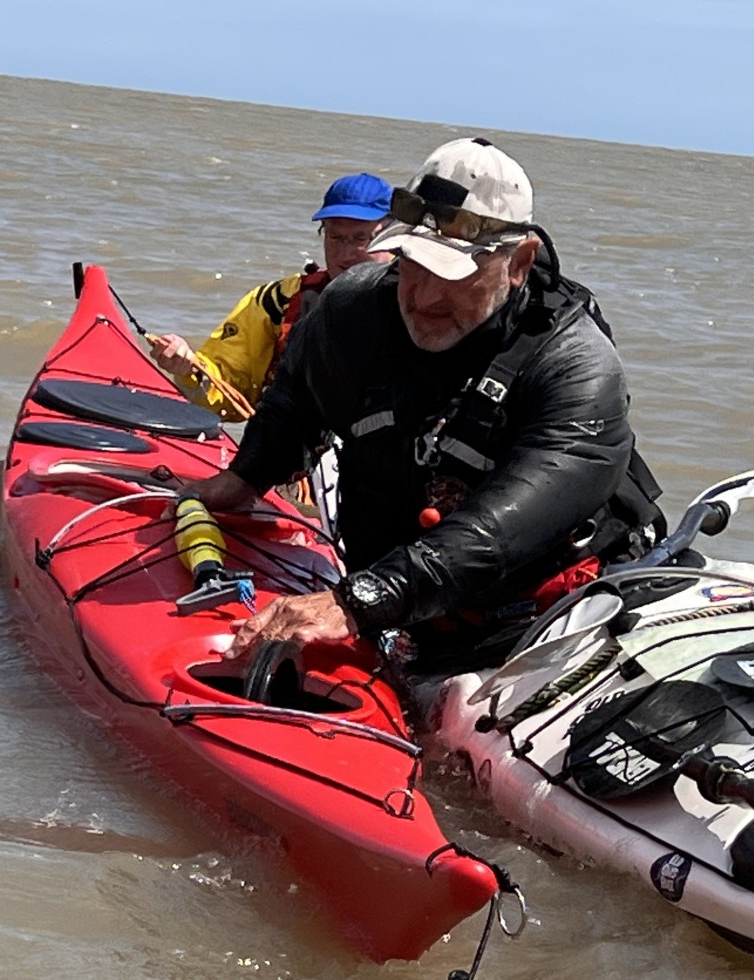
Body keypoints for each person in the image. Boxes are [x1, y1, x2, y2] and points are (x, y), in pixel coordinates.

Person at [183, 137, 664, 672]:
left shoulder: (576, 367)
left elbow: (499, 534)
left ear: (518, 263)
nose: (425, 297)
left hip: (548, 620)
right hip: (404, 605)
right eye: (414, 264)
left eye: (455, 274)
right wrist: (246, 476)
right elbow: (299, 392)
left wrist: (355, 602)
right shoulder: (352, 308)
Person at [148, 172, 393, 420]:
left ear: (394, 236)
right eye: (335, 237)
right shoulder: (277, 302)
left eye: (361, 238)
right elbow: (229, 392)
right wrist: (190, 369)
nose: (346, 253)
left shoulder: (420, 302)